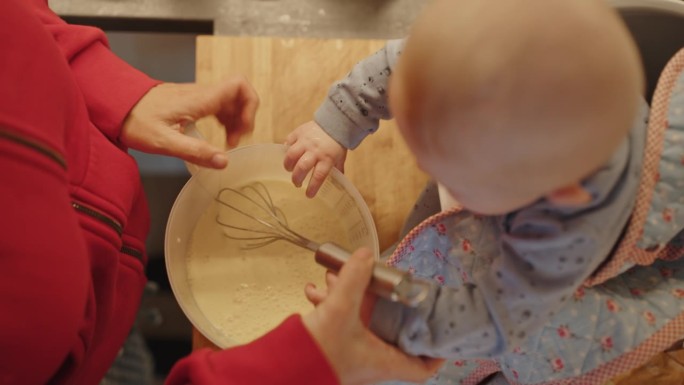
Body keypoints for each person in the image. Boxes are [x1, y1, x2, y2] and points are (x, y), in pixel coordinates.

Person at [0, 0, 443, 384]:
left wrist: (113, 91)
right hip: (81, 356)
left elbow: (19, 22)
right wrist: (303, 365)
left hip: (108, 298)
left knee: (125, 355)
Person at [285, 0, 684, 383]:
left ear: (551, 194)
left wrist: (394, 320)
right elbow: (401, 64)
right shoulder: (479, 66)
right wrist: (340, 118)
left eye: (451, 176)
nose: (421, 167)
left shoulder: (564, 234)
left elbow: (495, 317)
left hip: (570, 286)